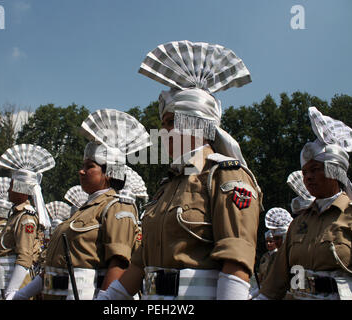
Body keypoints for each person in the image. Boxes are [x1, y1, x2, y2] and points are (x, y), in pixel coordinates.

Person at [97, 40, 262, 300]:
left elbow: (236, 257)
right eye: (162, 124)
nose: (163, 132)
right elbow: (140, 263)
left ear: (196, 123)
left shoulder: (225, 175)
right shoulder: (168, 186)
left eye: (171, 122)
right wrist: (107, 301)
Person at [12, 109, 151, 301]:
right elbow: (56, 266)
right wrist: (20, 295)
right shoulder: (82, 212)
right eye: (83, 166)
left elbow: (119, 264)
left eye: (89, 166)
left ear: (109, 172)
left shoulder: (116, 207)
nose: (81, 171)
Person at [257, 107, 352, 300]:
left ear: (335, 171)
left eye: (315, 170)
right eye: (305, 173)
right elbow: (276, 282)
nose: (308, 177)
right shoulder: (298, 224)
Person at [0, 144, 55, 300]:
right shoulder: (15, 216)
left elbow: (24, 257)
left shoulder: (26, 218)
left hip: (15, 282)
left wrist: (12, 292)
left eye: (11, 186)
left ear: (20, 188)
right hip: (1, 278)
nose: (8, 190)